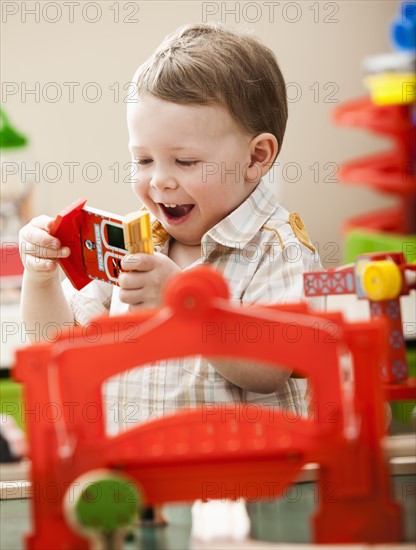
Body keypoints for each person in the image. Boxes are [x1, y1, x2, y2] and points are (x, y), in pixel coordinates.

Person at [19, 23, 323, 437]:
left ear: (256, 156)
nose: (159, 181)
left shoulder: (278, 247)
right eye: (143, 161)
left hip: (244, 478)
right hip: (135, 471)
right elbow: (59, 344)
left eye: (185, 162)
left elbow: (269, 368)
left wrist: (184, 303)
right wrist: (40, 278)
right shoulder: (135, 242)